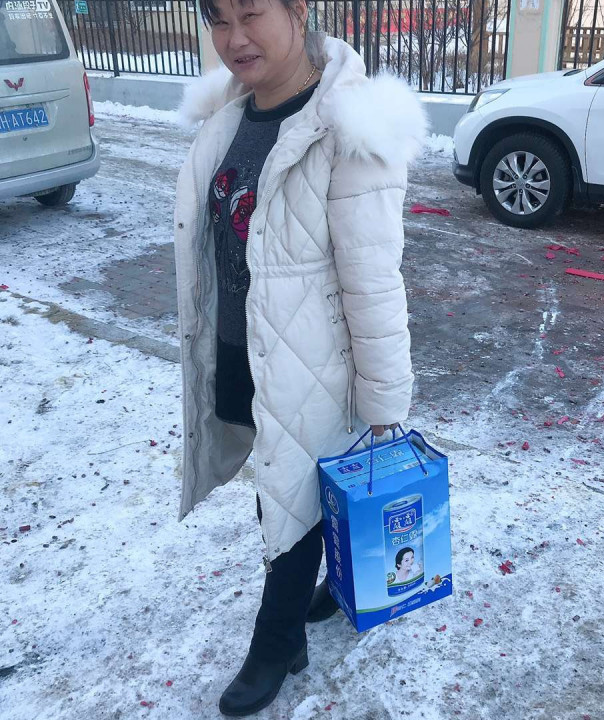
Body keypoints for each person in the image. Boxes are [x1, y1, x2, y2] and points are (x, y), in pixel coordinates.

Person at [174, 0, 426, 715]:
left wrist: (385, 403)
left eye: (252, 14)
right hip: (242, 351)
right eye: (218, 19)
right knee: (280, 486)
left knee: (295, 491)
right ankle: (320, 591)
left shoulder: (348, 129)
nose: (234, 38)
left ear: (299, 9)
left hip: (314, 366)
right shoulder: (230, 115)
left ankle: (277, 639)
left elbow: (373, 280)